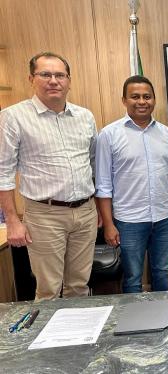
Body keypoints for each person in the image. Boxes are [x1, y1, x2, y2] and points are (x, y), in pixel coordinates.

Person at [0, 52, 98, 300]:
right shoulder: (13, 117)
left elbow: (93, 163)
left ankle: (78, 337)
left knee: (79, 286)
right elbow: (3, 172)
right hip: (45, 216)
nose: (53, 80)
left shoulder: (85, 117)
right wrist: (12, 220)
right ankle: (48, 339)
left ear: (69, 80)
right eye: (46, 74)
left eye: (60, 75)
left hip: (85, 213)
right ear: (31, 78)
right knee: (48, 290)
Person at [95, 75, 168, 293]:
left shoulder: (165, 134)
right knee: (133, 278)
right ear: (124, 100)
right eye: (135, 96)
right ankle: (135, 324)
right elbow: (103, 185)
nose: (142, 101)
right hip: (128, 221)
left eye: (147, 96)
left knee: (162, 271)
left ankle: (163, 319)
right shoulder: (109, 135)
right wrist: (108, 224)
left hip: (163, 218)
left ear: (154, 100)